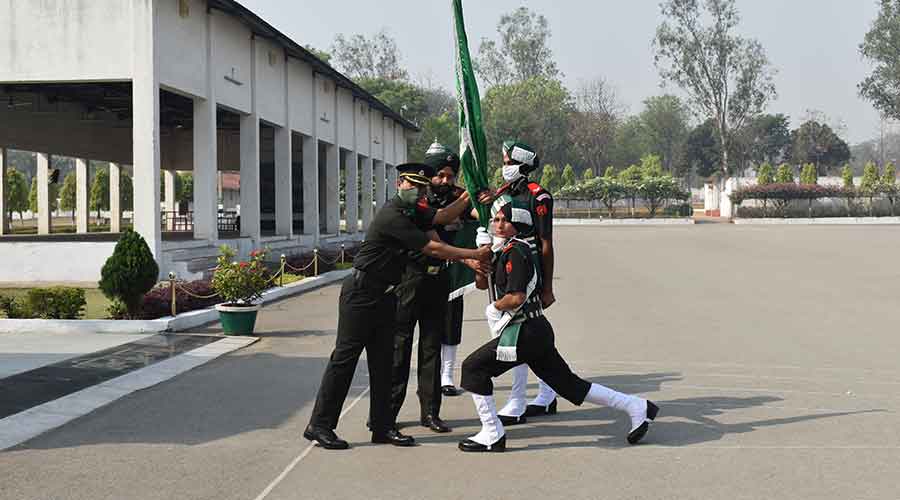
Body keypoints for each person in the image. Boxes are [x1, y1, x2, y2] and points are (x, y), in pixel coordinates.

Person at [304, 163, 492, 450]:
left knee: (383, 363)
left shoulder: (413, 210)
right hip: (361, 293)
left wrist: (471, 193)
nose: (415, 190)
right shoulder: (393, 214)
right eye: (410, 184)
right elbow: (432, 248)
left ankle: (382, 426)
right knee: (344, 360)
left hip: (386, 295)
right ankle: (320, 425)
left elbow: (443, 215)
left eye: (420, 187)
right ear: (398, 184)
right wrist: (473, 254)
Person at [457, 198, 659, 452]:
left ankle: (492, 432)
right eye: (495, 219)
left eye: (503, 220)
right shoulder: (504, 250)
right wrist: (477, 259)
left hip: (525, 331)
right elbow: (483, 284)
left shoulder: (517, 252)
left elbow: (516, 297)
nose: (497, 224)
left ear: (517, 224)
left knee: (473, 368)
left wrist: (495, 307)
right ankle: (636, 406)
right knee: (569, 385)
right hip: (535, 331)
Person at [389, 143, 482, 433]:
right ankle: (386, 413)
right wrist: (470, 256)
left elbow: (470, 216)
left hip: (438, 280)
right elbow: (435, 240)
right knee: (399, 349)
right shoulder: (411, 204)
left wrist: (479, 194)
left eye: (450, 176)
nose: (444, 181)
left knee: (431, 346)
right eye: (438, 175)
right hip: (408, 281)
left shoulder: (448, 198)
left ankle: (430, 412)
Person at [492, 140, 559, 425]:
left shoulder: (539, 196)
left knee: (518, 332)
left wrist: (546, 286)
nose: (504, 167)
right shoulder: (503, 193)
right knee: (531, 333)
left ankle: (518, 400)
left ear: (522, 166)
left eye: (508, 163)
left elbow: (545, 243)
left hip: (525, 268)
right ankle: (547, 393)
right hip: (506, 264)